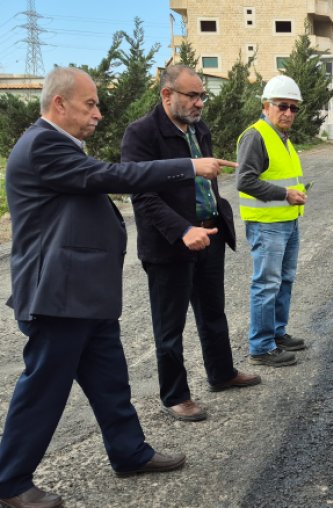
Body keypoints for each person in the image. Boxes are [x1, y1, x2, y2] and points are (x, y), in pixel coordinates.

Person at [0, 67, 235, 507]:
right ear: (59, 104)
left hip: (84, 294)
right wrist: (186, 166)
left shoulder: (62, 146)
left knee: (110, 382)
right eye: (90, 104)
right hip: (57, 296)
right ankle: (10, 482)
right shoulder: (43, 146)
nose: (98, 114)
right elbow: (113, 177)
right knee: (43, 389)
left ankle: (129, 452)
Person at [121, 65, 261, 423]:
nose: (199, 103)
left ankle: (222, 373)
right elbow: (143, 195)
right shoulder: (141, 134)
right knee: (170, 327)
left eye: (202, 96)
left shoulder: (199, 128)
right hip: (171, 244)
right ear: (167, 94)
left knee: (213, 312)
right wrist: (183, 229)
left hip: (210, 234)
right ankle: (176, 395)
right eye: (192, 96)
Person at [236, 75, 309, 367]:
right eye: (283, 106)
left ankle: (277, 334)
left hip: (287, 222)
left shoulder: (281, 137)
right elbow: (244, 181)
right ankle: (261, 347)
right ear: (266, 105)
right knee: (266, 285)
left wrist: (293, 197)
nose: (289, 113)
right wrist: (285, 194)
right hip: (267, 226)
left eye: (294, 108)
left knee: (284, 281)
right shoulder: (256, 136)